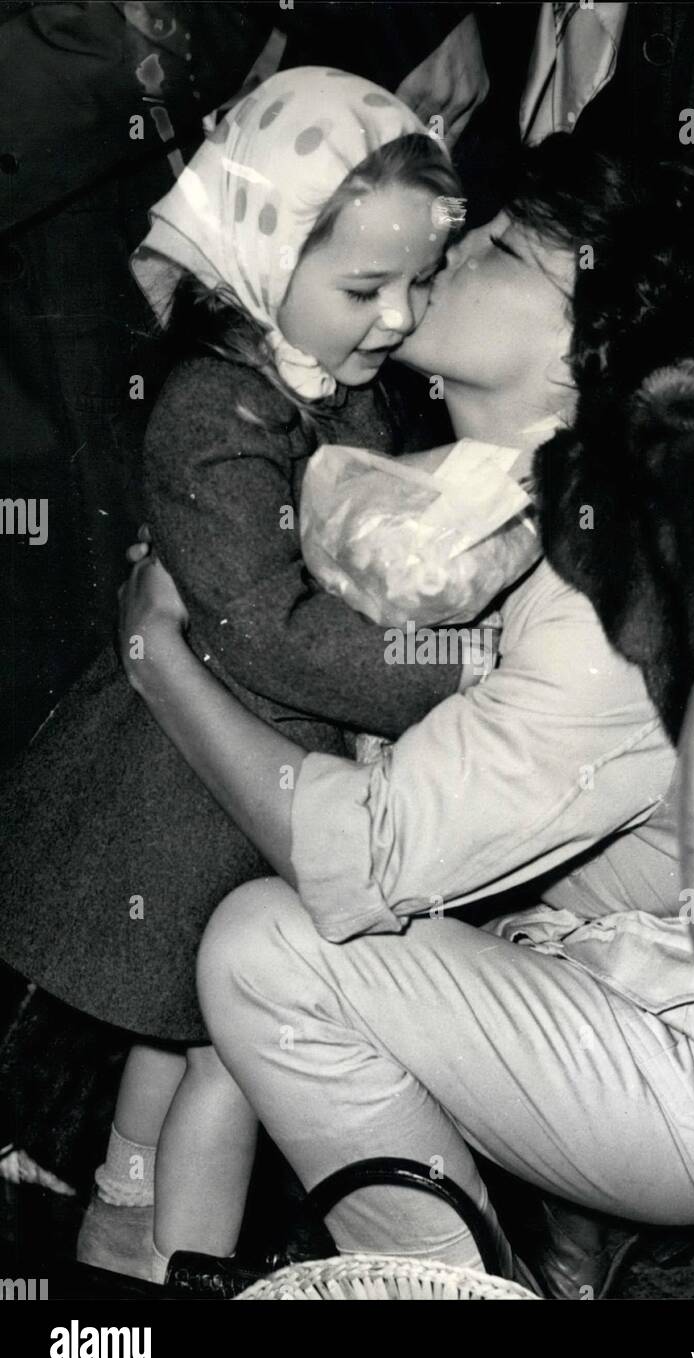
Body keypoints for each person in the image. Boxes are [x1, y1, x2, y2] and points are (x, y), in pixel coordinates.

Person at [112, 134, 694, 1295]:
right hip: (583, 959)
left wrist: (158, 653)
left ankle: (442, 1284)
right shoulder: (472, 487)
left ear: (584, 350)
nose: (454, 247)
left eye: (507, 248)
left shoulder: (610, 597)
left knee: (266, 948)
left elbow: (357, 850)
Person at [0, 65, 520, 1281]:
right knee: (233, 1037)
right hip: (193, 790)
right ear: (256, 255)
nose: (396, 318)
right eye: (363, 287)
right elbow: (265, 627)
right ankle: (162, 1257)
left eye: (418, 283)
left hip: (264, 767)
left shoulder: (331, 384)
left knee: (196, 1024)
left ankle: (128, 1206)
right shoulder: (213, 411)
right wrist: (451, 664)